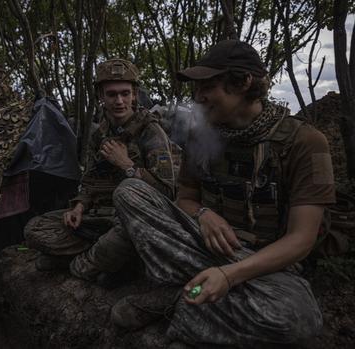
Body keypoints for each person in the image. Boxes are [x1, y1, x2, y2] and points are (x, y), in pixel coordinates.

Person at [110, 39, 335, 347]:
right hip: (201, 247)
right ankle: (201, 296)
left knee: (298, 317)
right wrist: (203, 214)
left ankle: (178, 304)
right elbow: (185, 197)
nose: (198, 98)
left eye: (207, 87)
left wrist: (231, 275)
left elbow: (302, 239)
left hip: (264, 265)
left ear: (243, 82)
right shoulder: (200, 134)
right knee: (130, 192)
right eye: (196, 89)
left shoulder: (305, 142)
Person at [24, 58, 175, 283]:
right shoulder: (99, 134)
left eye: (125, 93)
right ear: (101, 97)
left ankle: (85, 263)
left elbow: (167, 192)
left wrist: (126, 164)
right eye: (112, 94)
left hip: (130, 222)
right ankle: (108, 260)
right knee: (35, 229)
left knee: (114, 244)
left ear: (134, 94)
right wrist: (79, 206)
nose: (119, 101)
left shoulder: (151, 132)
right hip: (98, 219)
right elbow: (91, 180)